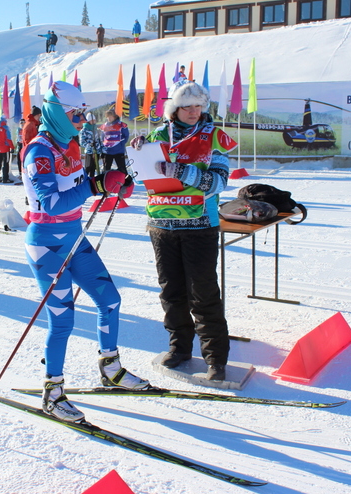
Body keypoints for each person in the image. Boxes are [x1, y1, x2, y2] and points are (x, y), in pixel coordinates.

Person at [22, 81, 148, 423]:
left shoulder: (70, 145)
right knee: (63, 319)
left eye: (84, 114)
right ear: (57, 114)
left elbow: (79, 186)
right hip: (47, 244)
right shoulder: (39, 151)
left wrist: (114, 182)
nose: (81, 120)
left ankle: (110, 368)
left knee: (110, 299)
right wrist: (96, 186)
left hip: (75, 237)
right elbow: (51, 202)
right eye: (76, 115)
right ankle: (53, 391)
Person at [131, 81, 237, 381]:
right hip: (162, 225)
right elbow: (142, 173)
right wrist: (139, 150)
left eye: (198, 106)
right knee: (171, 292)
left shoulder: (214, 136)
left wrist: (181, 172)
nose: (193, 112)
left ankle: (215, 358)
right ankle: (179, 348)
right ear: (174, 108)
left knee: (202, 294)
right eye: (187, 106)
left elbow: (219, 182)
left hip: (200, 225)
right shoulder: (157, 135)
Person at [100, 108, 129, 174]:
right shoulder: (104, 126)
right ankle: (105, 182)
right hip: (107, 151)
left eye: (110, 116)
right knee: (106, 169)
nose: (109, 118)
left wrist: (121, 143)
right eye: (107, 117)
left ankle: (125, 182)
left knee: (122, 169)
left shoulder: (121, 125)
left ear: (115, 116)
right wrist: (103, 147)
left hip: (118, 151)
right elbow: (102, 137)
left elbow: (126, 136)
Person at [79, 112, 103, 178]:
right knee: (88, 167)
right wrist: (90, 144)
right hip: (89, 152)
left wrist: (101, 148)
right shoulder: (84, 130)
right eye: (92, 120)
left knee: (94, 167)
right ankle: (85, 179)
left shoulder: (97, 129)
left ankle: (92, 179)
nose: (93, 122)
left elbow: (100, 140)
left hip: (97, 151)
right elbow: (82, 142)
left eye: (94, 120)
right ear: (88, 121)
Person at [0, 117, 13, 183]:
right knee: (5, 163)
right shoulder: (5, 128)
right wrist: (12, 147)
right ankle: (5, 178)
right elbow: (8, 139)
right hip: (5, 148)